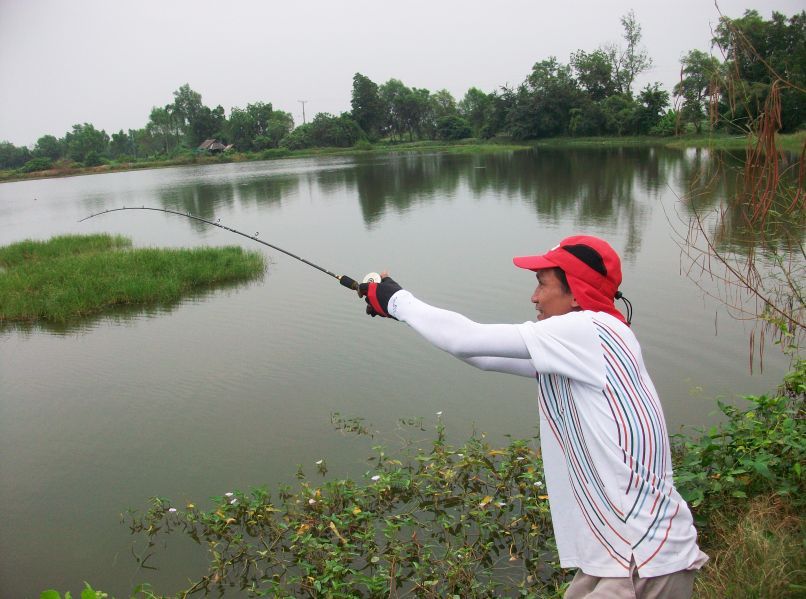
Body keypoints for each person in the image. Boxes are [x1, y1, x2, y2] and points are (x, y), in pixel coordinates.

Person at [358, 235, 708, 598]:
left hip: (646, 555)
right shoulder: (585, 342)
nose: (534, 297)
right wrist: (401, 312)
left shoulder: (589, 331)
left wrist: (396, 299)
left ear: (577, 295)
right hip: (621, 552)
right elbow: (478, 354)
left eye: (543, 284)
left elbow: (465, 338)